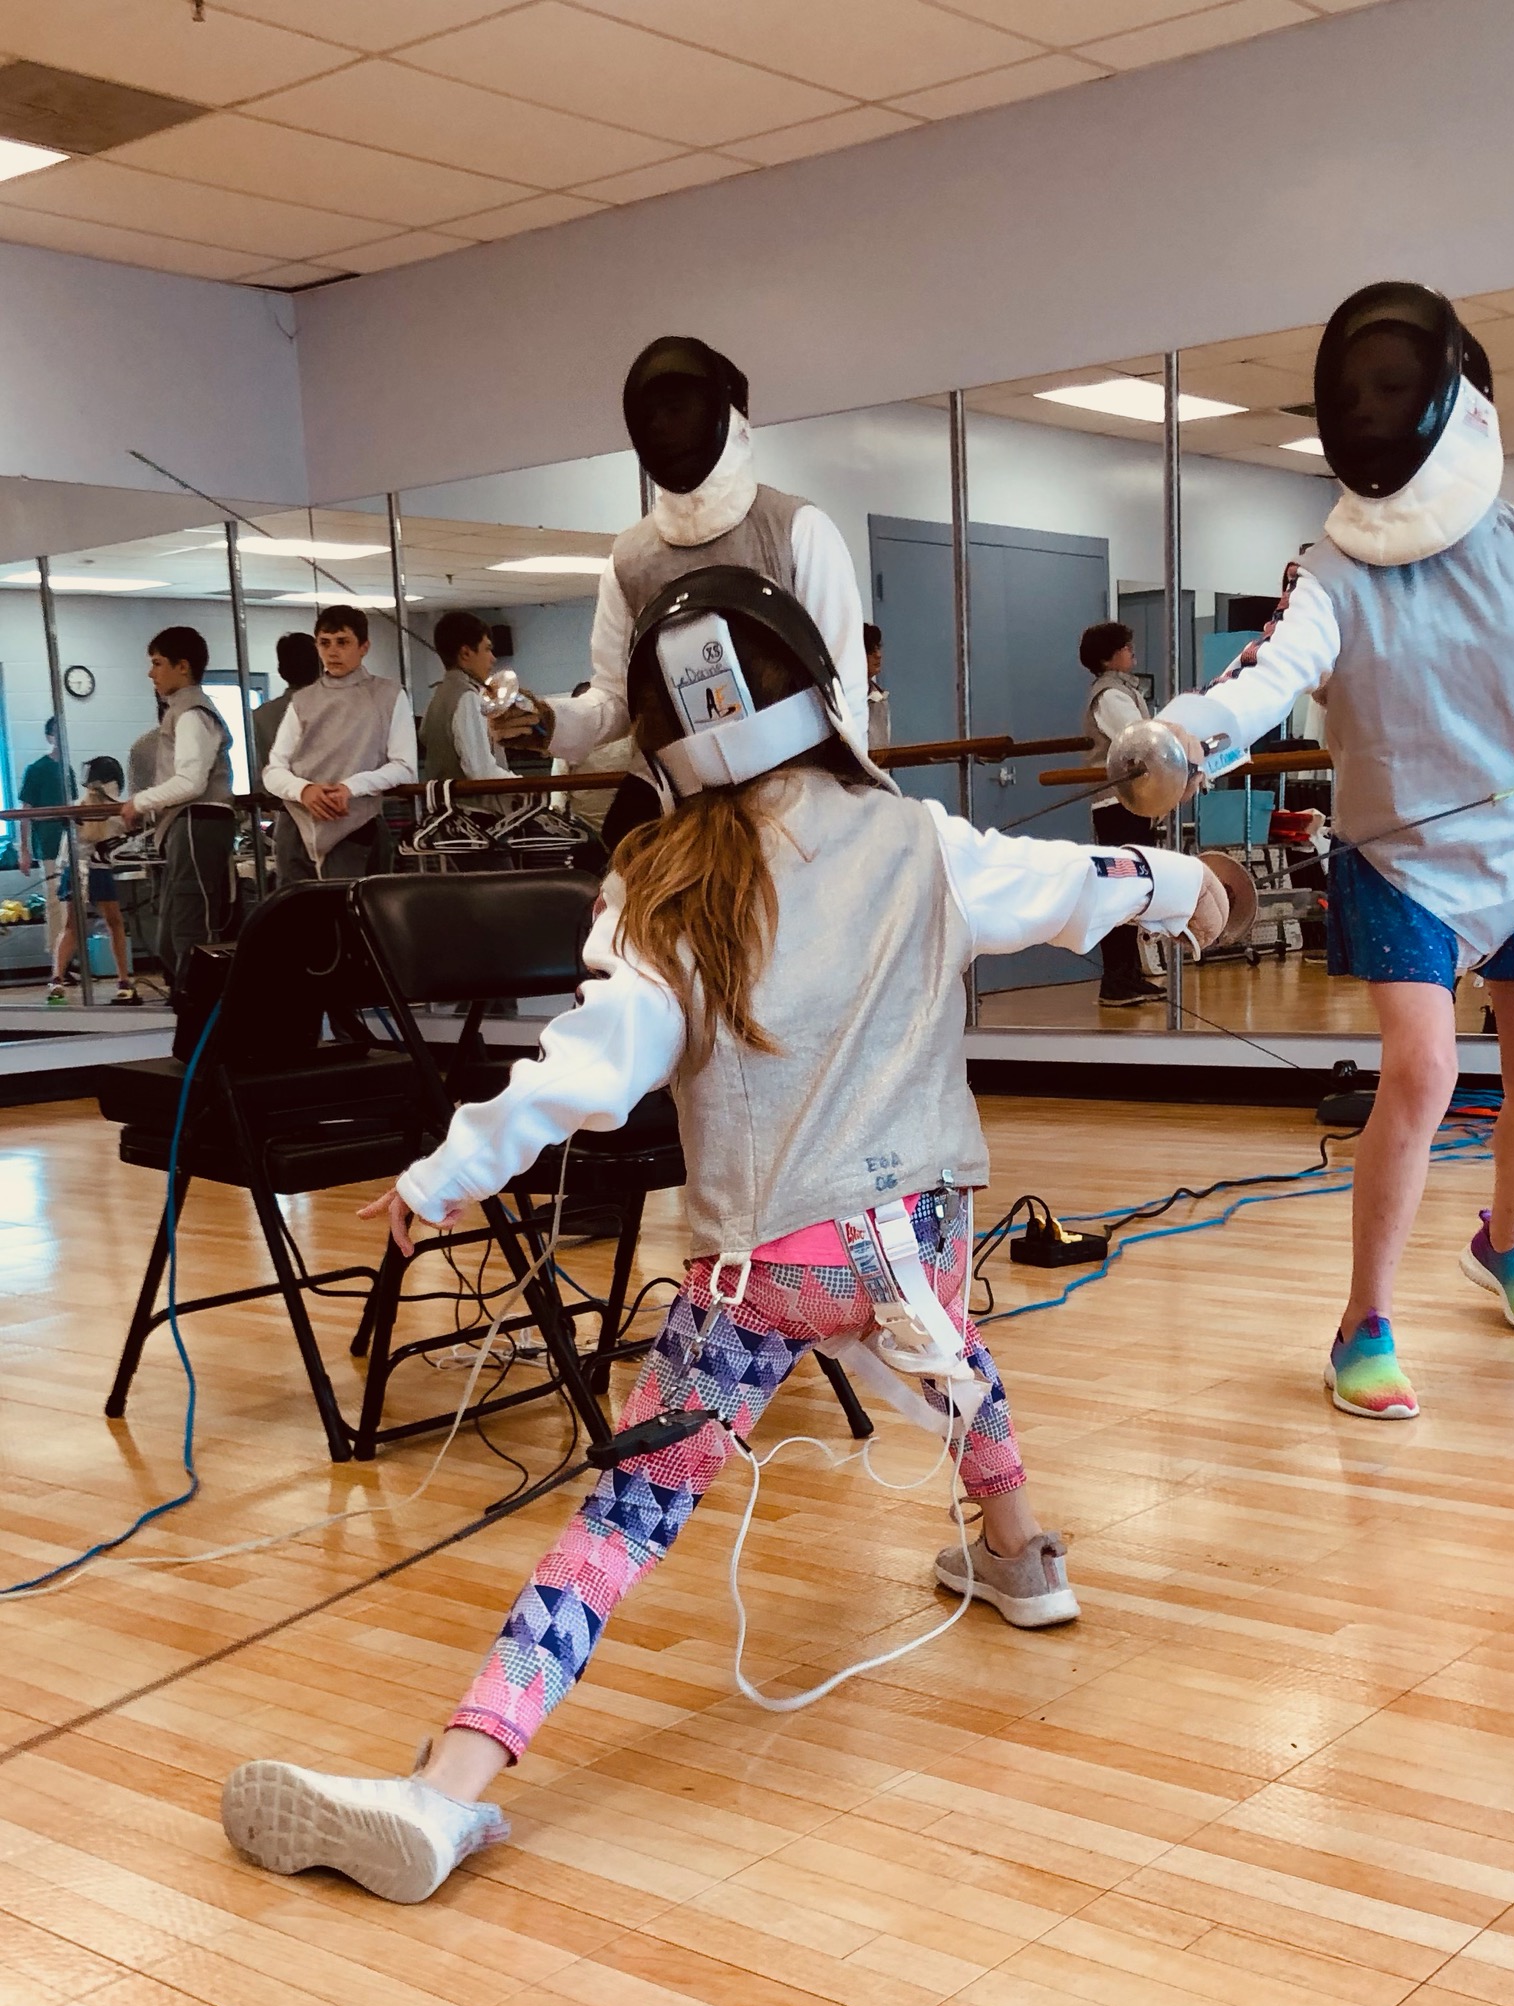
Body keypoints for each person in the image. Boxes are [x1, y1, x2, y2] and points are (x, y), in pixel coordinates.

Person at [220, 564, 1227, 1905]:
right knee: (944, 1346)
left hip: (767, 1269)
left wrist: (441, 1175)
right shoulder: (920, 838)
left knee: (628, 1515)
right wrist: (1189, 884)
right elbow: (1081, 882)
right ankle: (1021, 1557)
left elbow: (585, 1069)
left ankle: (451, 1782)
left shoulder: (664, 882)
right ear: (818, 687)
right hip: (915, 1235)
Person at [1159, 281, 1514, 1422]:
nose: (1375, 409)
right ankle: (1361, 1323)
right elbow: (1270, 673)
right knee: (1420, 1072)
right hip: (1398, 855)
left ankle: (1506, 1242)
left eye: (1396, 387)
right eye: (1360, 391)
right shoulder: (1332, 566)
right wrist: (1181, 738)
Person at [491, 336, 868, 774]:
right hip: (681, 798)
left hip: (797, 787)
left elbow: (844, 692)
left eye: (676, 410)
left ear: (724, 415)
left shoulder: (797, 530)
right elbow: (615, 700)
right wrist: (548, 721)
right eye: (650, 416)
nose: (660, 427)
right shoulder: (630, 560)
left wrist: (846, 795)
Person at [261, 604, 416, 885]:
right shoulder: (303, 700)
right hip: (296, 824)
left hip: (355, 823)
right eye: (325, 643)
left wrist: (350, 788)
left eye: (342, 642)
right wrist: (304, 790)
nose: (332, 652)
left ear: (364, 646)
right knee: (295, 910)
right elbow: (274, 770)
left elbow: (404, 767)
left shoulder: (388, 695)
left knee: (349, 908)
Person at [120, 626, 237, 993]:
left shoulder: (192, 713)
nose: (151, 673)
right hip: (187, 824)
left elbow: (190, 782)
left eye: (157, 663)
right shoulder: (180, 712)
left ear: (182, 666)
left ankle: (206, 1009)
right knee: (172, 935)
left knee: (190, 928)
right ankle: (194, 1005)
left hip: (198, 822)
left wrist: (140, 802)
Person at [1081, 619, 1165, 1005]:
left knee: (1133, 889)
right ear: (1109, 656)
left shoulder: (1124, 690)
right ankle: (1115, 979)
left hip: (1131, 803)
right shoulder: (1110, 695)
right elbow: (1138, 740)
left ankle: (1129, 974)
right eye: (1126, 647)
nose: (1132, 652)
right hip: (1116, 805)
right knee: (1119, 890)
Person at [51, 754, 137, 1004]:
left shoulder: (77, 806)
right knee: (115, 924)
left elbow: (65, 852)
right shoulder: (117, 809)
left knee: (71, 927)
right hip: (98, 870)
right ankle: (123, 981)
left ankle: (56, 980)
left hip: (72, 871)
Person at [421, 611, 518, 797]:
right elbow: (481, 772)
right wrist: (526, 786)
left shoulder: (439, 696)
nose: (493, 658)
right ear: (466, 653)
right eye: (487, 649)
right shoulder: (466, 697)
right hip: (474, 810)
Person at [20, 717, 74, 977]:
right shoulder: (37, 769)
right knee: (54, 902)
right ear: (49, 736)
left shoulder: (67, 770)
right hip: (48, 844)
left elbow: (73, 807)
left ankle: (66, 960)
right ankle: (57, 965)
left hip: (69, 845)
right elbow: (25, 812)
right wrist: (24, 850)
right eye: (56, 732)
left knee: (69, 904)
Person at [251, 632, 321, 778]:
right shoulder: (334, 710)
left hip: (274, 790)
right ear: (321, 668)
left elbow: (258, 771)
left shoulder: (259, 716)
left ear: (281, 671)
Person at [864, 620, 890, 752]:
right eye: (870, 651)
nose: (878, 655)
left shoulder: (879, 697)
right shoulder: (840, 698)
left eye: (878, 648)